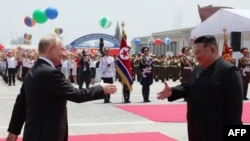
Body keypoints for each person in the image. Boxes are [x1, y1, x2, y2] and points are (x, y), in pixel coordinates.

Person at [5, 34, 117, 141]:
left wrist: (13, 131)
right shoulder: (50, 73)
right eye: (62, 49)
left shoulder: (33, 71)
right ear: (51, 49)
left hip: (33, 134)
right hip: (47, 136)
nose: (64, 53)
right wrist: (101, 88)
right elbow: (76, 94)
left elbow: (20, 104)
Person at [157, 35, 243, 141]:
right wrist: (172, 91)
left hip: (217, 133)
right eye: (195, 53)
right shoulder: (198, 69)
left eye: (199, 52)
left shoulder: (229, 71)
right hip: (196, 131)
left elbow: (235, 111)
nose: (196, 57)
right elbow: (187, 86)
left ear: (212, 49)